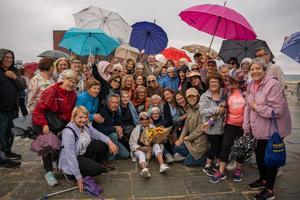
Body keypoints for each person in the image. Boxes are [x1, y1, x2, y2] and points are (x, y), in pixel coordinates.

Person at [243, 58, 291, 200]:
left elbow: (277, 110)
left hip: (272, 130)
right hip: (258, 129)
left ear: (264, 70)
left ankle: (269, 190)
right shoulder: (251, 84)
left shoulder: (273, 84)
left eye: (258, 68)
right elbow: (248, 104)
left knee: (270, 159)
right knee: (259, 156)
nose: (255, 71)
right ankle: (263, 180)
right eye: (252, 69)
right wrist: (247, 126)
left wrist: (256, 107)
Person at [32, 69, 77, 186]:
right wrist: (44, 124)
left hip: (60, 123)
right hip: (44, 122)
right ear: (64, 79)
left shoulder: (73, 94)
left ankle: (59, 164)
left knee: (65, 141)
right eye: (69, 80)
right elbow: (38, 111)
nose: (71, 84)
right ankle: (48, 172)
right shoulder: (51, 91)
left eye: (74, 82)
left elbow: (70, 112)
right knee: (47, 144)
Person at [59, 106, 118, 192]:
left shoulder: (85, 125)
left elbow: (97, 134)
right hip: (73, 158)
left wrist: (109, 142)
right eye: (80, 117)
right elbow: (70, 157)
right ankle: (72, 175)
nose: (83, 120)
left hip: (82, 152)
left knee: (103, 144)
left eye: (85, 117)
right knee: (97, 170)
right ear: (74, 117)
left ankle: (89, 164)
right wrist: (79, 178)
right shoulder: (69, 132)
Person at [210, 69, 247, 183]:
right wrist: (211, 121)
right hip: (230, 123)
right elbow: (222, 108)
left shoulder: (246, 93)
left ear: (238, 80)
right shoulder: (227, 92)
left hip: (244, 125)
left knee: (241, 148)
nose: (227, 82)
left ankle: (238, 169)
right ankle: (221, 171)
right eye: (226, 80)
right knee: (225, 146)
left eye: (230, 80)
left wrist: (249, 127)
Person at [0, 48, 26, 161]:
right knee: (1, 134)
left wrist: (15, 77)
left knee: (10, 132)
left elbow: (22, 86)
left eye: (11, 57)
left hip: (13, 108)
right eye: (6, 57)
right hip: (1, 109)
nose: (9, 59)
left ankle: (7, 152)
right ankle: (2, 158)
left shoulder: (15, 71)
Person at [200, 73, 226, 177]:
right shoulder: (205, 96)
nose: (213, 83)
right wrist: (217, 109)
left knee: (221, 146)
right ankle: (207, 165)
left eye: (216, 81)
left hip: (223, 126)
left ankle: (218, 163)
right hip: (211, 127)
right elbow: (202, 111)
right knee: (214, 146)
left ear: (220, 83)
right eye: (211, 82)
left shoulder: (224, 94)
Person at [129, 112, 170, 178]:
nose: (145, 121)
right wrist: (143, 149)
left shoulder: (152, 127)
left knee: (156, 145)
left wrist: (162, 135)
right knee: (141, 154)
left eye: (146, 118)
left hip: (150, 148)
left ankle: (162, 165)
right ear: (140, 120)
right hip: (140, 149)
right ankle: (144, 169)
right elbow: (132, 143)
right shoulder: (136, 129)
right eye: (142, 119)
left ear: (149, 119)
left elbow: (157, 139)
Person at [174, 88, 208, 166]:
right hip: (191, 140)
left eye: (193, 96)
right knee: (176, 146)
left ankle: (208, 158)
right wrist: (181, 138)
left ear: (198, 96)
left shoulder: (202, 109)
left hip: (200, 142)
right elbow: (186, 125)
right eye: (189, 97)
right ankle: (191, 156)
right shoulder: (189, 108)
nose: (191, 98)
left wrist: (187, 138)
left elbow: (200, 130)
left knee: (187, 163)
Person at [93, 94, 130, 161]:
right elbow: (100, 130)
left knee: (126, 154)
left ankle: (107, 154)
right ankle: (110, 159)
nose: (114, 105)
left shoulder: (116, 112)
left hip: (113, 141)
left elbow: (120, 124)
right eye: (112, 102)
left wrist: (120, 128)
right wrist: (115, 128)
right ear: (108, 103)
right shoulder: (102, 112)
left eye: (116, 103)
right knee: (114, 135)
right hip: (103, 140)